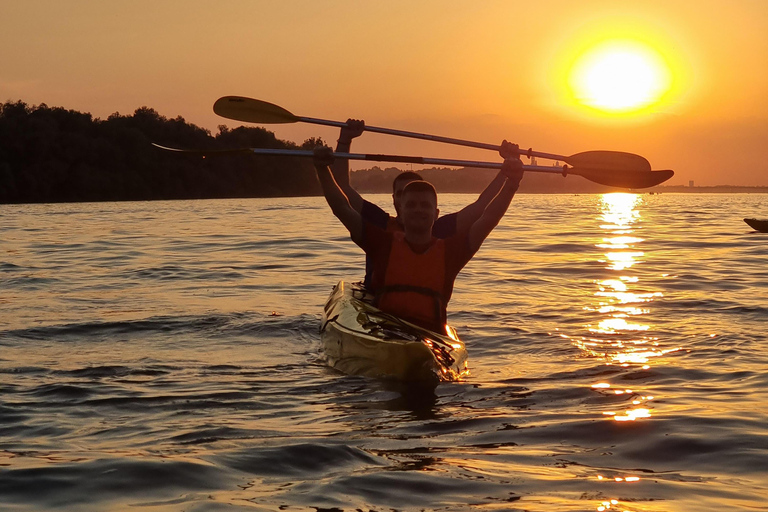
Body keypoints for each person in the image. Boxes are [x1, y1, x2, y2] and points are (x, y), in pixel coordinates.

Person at [314, 146, 524, 333]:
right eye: (411, 205)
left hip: (431, 338)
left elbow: (488, 217)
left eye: (425, 205)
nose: (418, 210)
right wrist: (322, 169)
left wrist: (512, 183)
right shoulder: (382, 243)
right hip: (386, 332)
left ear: (436, 213)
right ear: (400, 211)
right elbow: (342, 207)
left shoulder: (451, 252)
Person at [332, 119, 520, 288]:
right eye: (403, 195)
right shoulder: (379, 222)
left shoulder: (440, 229)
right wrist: (345, 141)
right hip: (375, 302)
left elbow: (481, 208)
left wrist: (508, 170)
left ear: (433, 210)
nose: (415, 206)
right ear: (395, 199)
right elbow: (341, 189)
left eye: (421, 201)